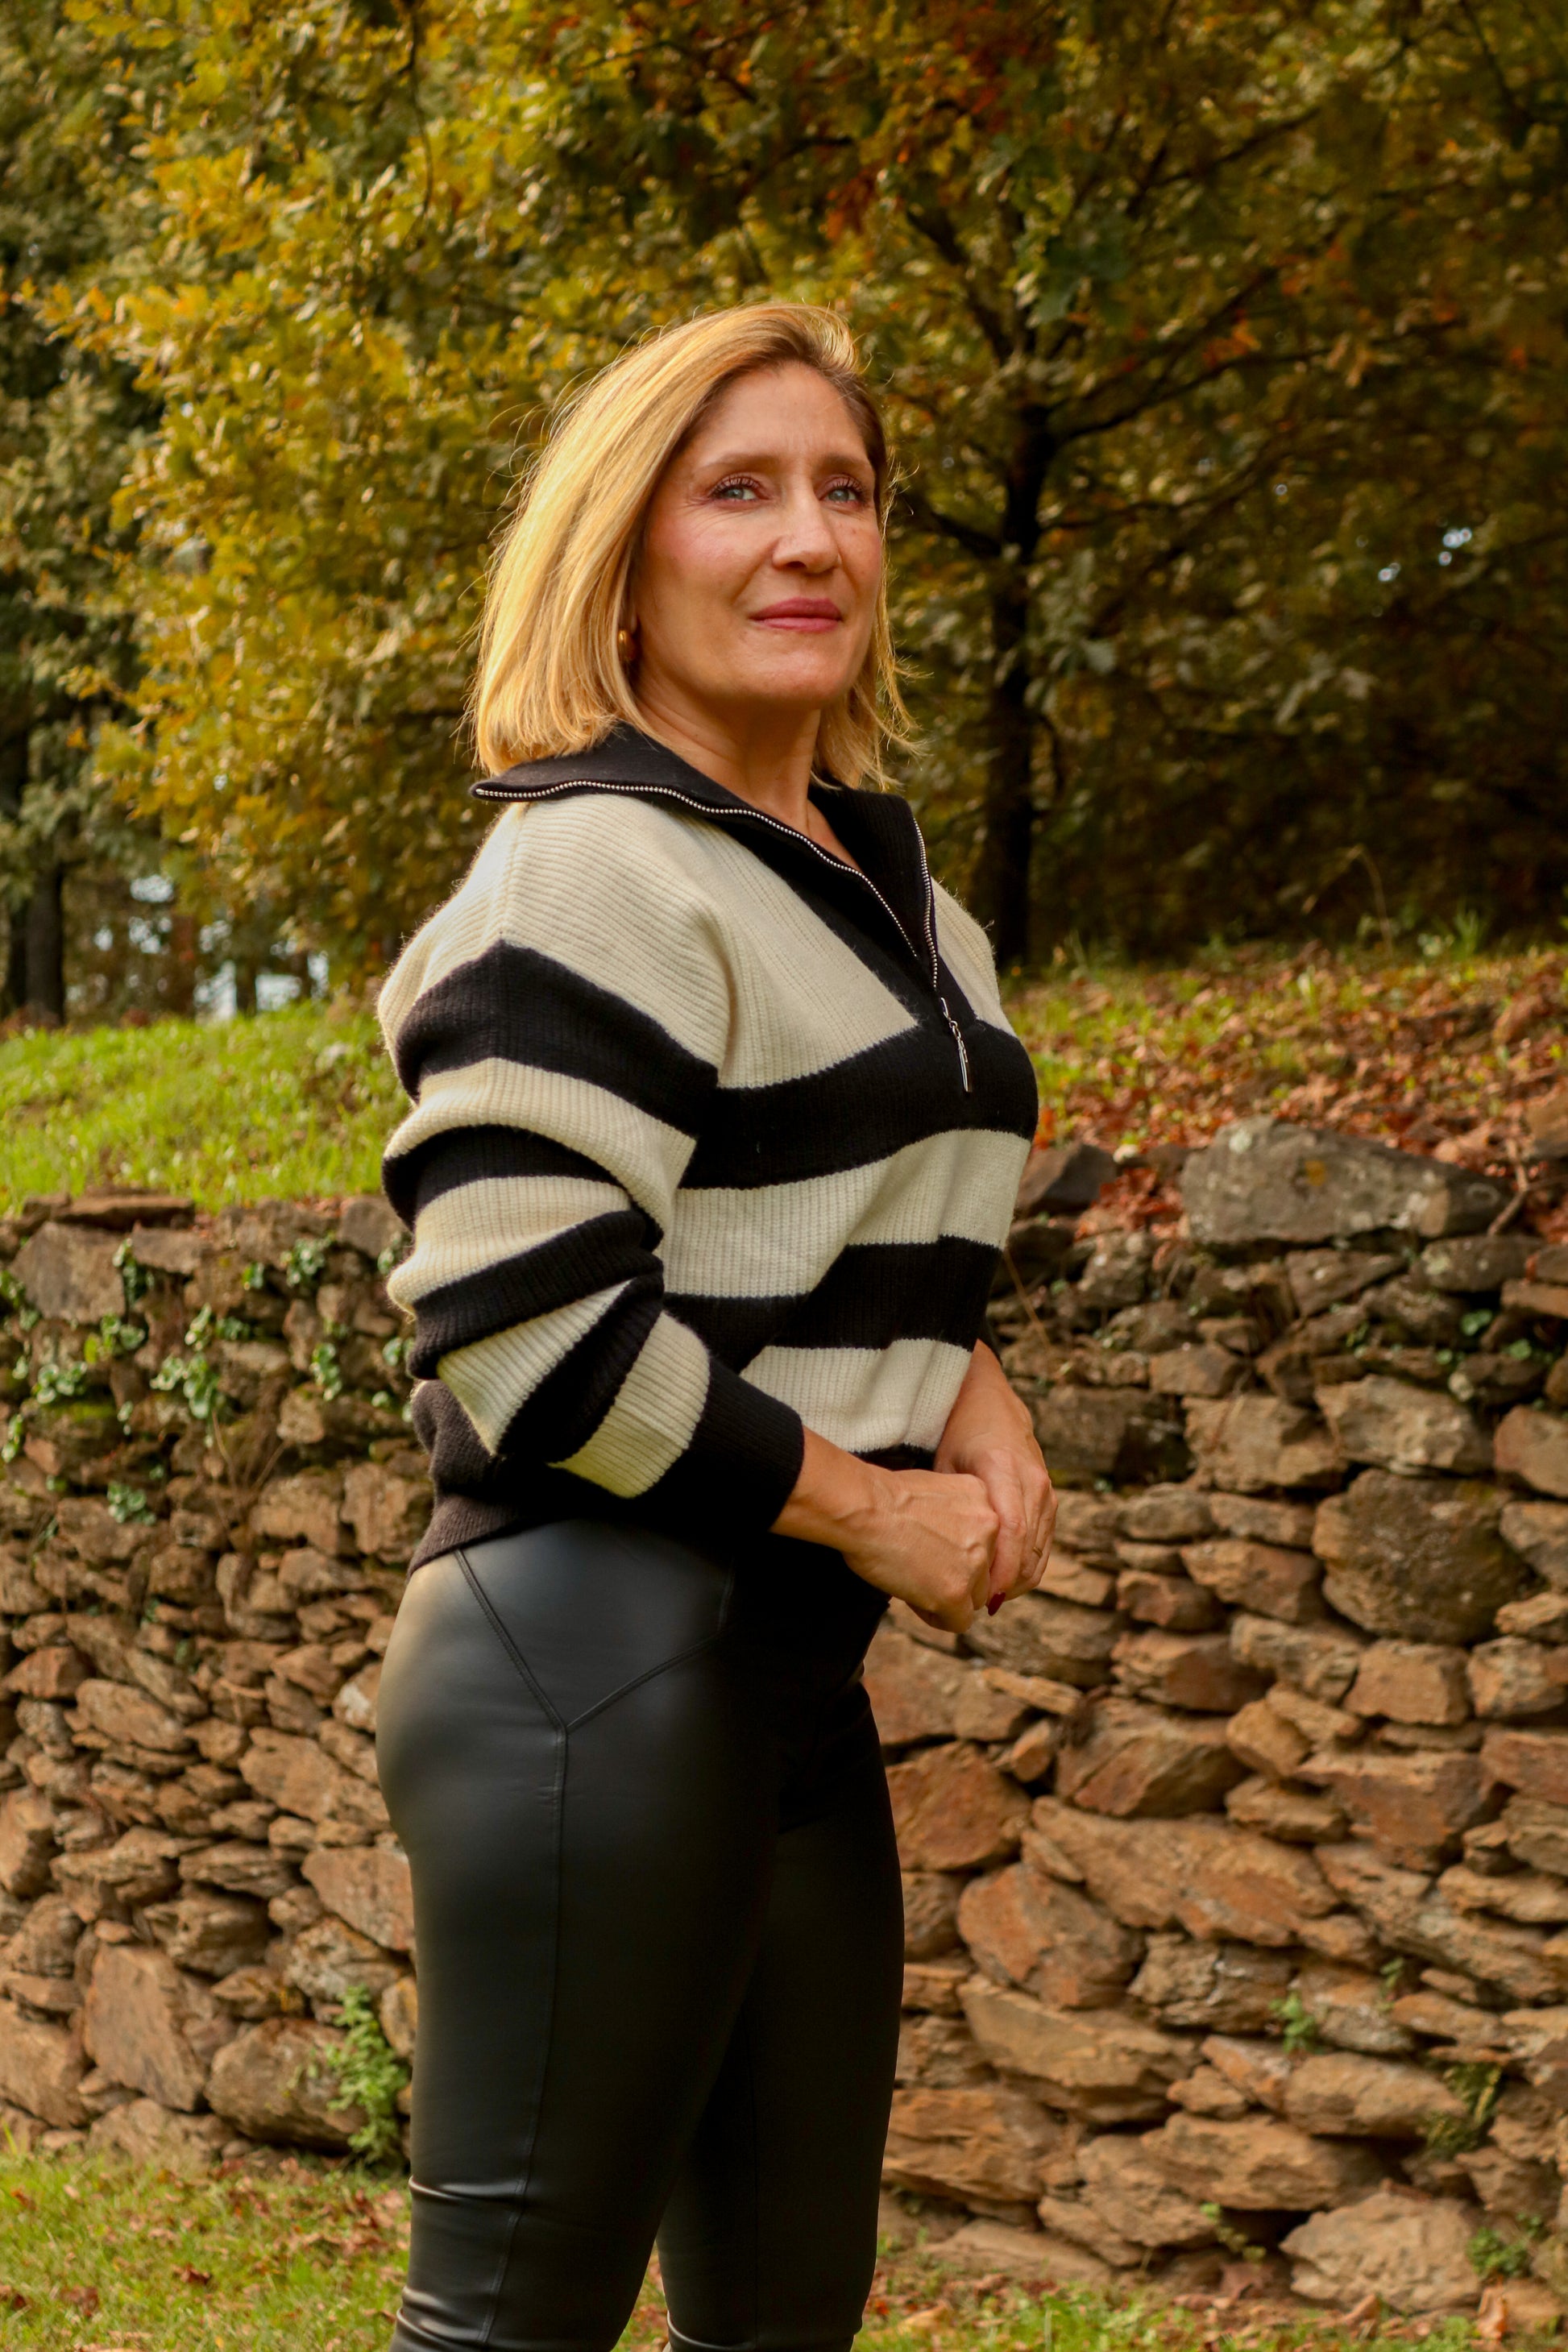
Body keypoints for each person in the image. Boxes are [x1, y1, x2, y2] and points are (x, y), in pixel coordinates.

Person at [373, 301, 1054, 2352]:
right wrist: (877, 1504)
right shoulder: (588, 864)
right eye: (737, 490)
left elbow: (821, 1215)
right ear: (624, 551)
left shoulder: (897, 894)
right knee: (508, 2330)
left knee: (779, 2322)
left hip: (776, 1683)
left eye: (845, 490)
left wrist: (975, 1387)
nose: (808, 539)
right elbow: (532, 1330)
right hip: (584, 1661)